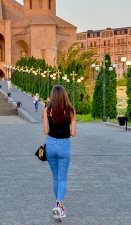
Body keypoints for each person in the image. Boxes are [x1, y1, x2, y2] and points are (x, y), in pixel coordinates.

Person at [43, 85, 76, 222]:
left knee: (55, 177)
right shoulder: (71, 111)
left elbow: (45, 131)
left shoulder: (47, 110)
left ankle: (59, 206)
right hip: (64, 146)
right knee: (62, 178)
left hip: (50, 145)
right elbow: (73, 133)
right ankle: (59, 204)